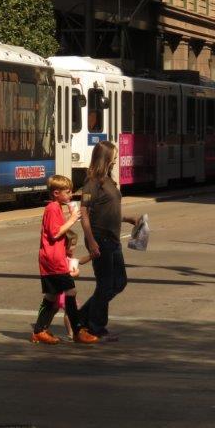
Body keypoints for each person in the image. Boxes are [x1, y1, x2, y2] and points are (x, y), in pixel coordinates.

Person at [77, 140, 140, 340]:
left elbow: (107, 211)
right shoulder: (91, 183)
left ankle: (82, 317)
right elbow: (84, 213)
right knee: (105, 284)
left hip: (112, 239)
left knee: (119, 282)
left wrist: (128, 218)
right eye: (114, 155)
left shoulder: (109, 180)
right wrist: (91, 241)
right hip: (100, 238)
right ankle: (95, 327)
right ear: (105, 157)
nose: (116, 159)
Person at [31, 174, 98, 344]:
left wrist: (69, 218)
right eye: (67, 192)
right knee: (70, 292)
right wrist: (73, 219)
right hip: (54, 260)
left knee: (52, 296)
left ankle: (40, 330)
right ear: (56, 193)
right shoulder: (52, 208)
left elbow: (58, 230)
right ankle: (77, 331)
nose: (71, 194)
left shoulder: (56, 208)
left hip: (53, 258)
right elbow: (55, 233)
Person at [58, 230, 93, 340]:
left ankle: (72, 332)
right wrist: (74, 274)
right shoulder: (62, 258)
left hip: (67, 289)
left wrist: (91, 255)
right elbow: (63, 274)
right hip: (63, 291)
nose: (74, 247)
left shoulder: (68, 257)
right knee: (69, 310)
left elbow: (80, 261)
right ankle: (71, 333)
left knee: (69, 310)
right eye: (72, 245)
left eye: (75, 244)